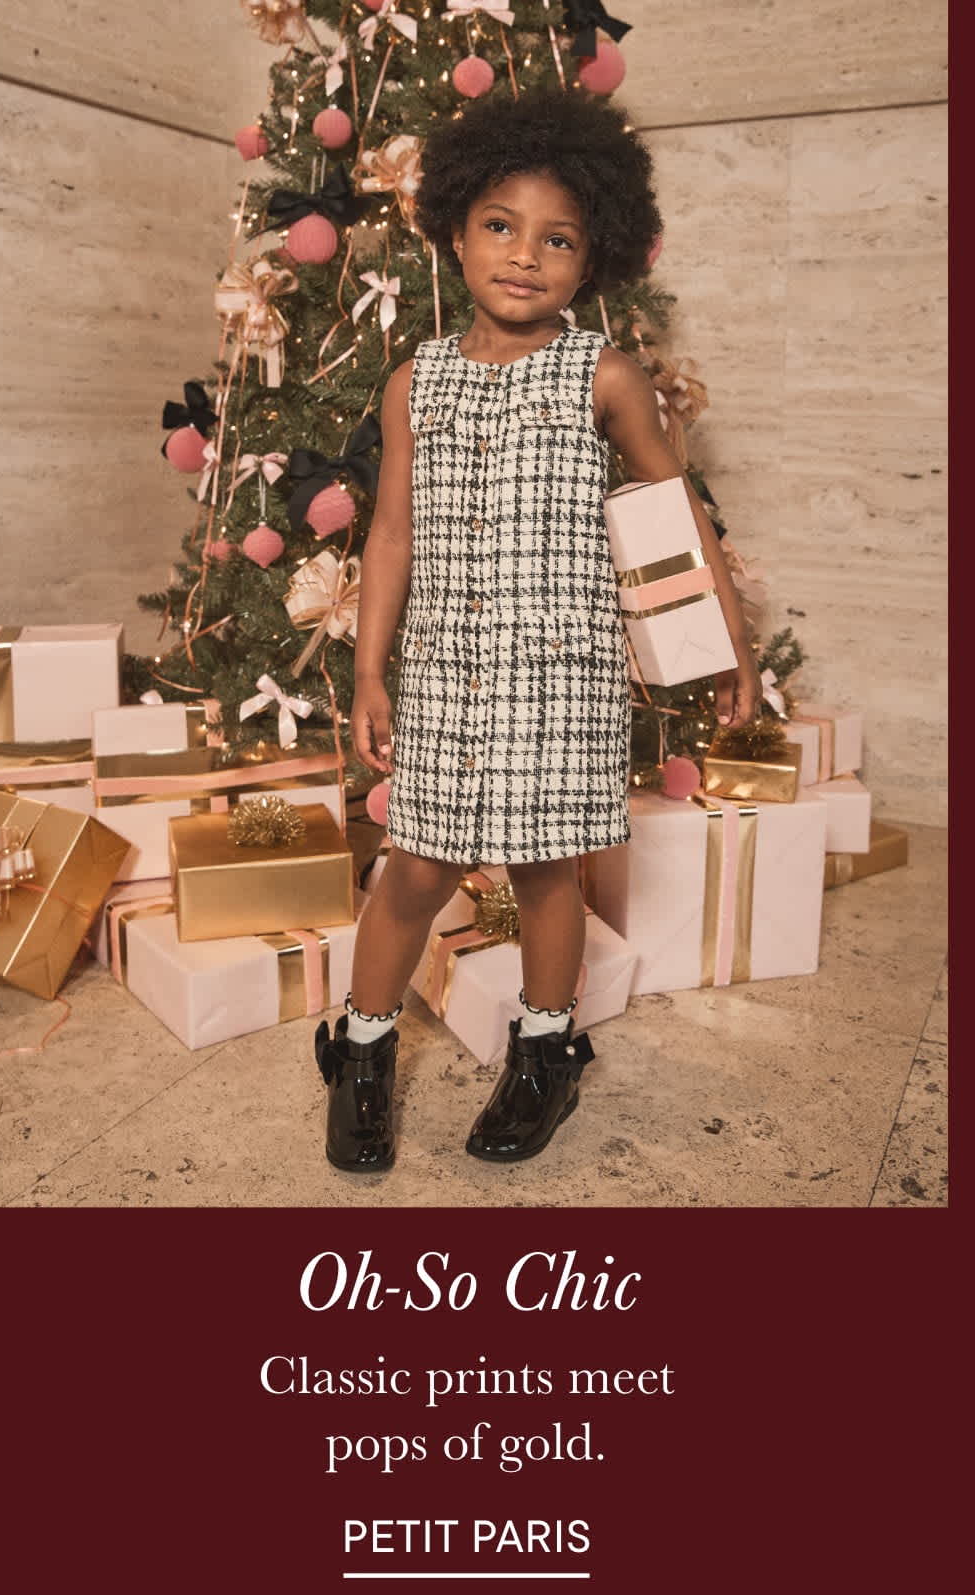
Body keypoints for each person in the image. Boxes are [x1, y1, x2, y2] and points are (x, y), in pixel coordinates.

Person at [314, 86, 762, 1172]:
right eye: (500, 227)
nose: (525, 256)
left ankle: (547, 1047)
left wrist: (733, 640)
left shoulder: (603, 375)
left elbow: (678, 515)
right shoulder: (413, 382)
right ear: (455, 230)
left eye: (557, 238)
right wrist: (370, 671)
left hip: (560, 673)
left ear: (592, 253)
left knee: (547, 870)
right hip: (446, 671)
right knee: (415, 868)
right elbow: (388, 539)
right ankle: (362, 1047)